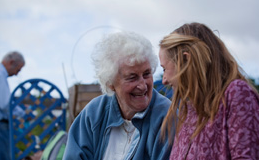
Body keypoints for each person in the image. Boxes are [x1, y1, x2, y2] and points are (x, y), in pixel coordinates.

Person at [63, 31, 172, 160]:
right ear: (110, 83)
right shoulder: (93, 113)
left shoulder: (167, 118)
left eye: (147, 74)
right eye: (132, 78)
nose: (143, 85)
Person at [159, 22, 259, 159]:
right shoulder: (187, 110)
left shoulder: (236, 94)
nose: (164, 80)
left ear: (186, 60)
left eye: (165, 69)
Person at [0, 51, 25, 160]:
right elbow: (4, 103)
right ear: (11, 62)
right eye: (18, 69)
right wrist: (22, 113)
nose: (16, 73)